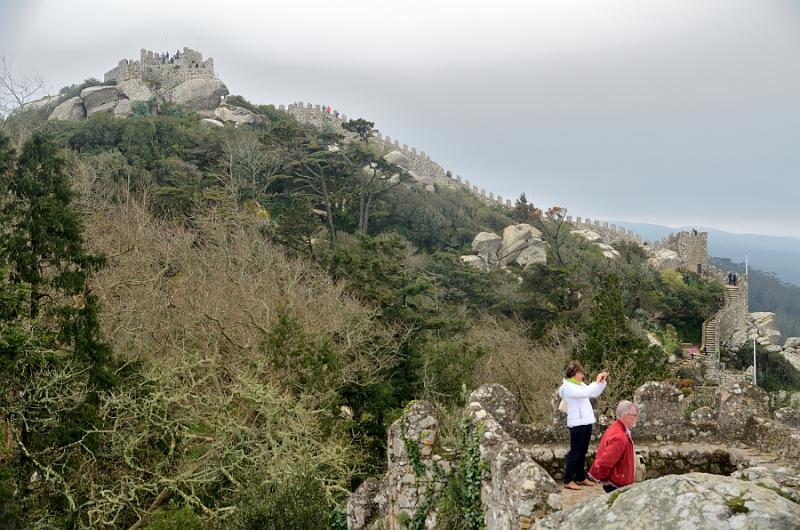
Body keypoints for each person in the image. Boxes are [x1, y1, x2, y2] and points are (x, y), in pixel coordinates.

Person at [559, 360, 608, 490]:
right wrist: (596, 381)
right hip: (576, 423)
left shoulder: (580, 384)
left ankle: (580, 477)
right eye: (581, 373)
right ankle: (568, 479)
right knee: (575, 451)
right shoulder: (568, 387)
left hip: (586, 421)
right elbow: (585, 393)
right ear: (574, 373)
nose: (583, 375)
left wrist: (601, 382)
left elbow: (593, 393)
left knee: (583, 451)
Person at [588, 400, 638, 493]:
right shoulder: (620, 436)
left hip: (616, 482)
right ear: (626, 417)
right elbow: (604, 463)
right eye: (635, 415)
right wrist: (605, 480)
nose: (637, 418)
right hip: (616, 485)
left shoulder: (615, 428)